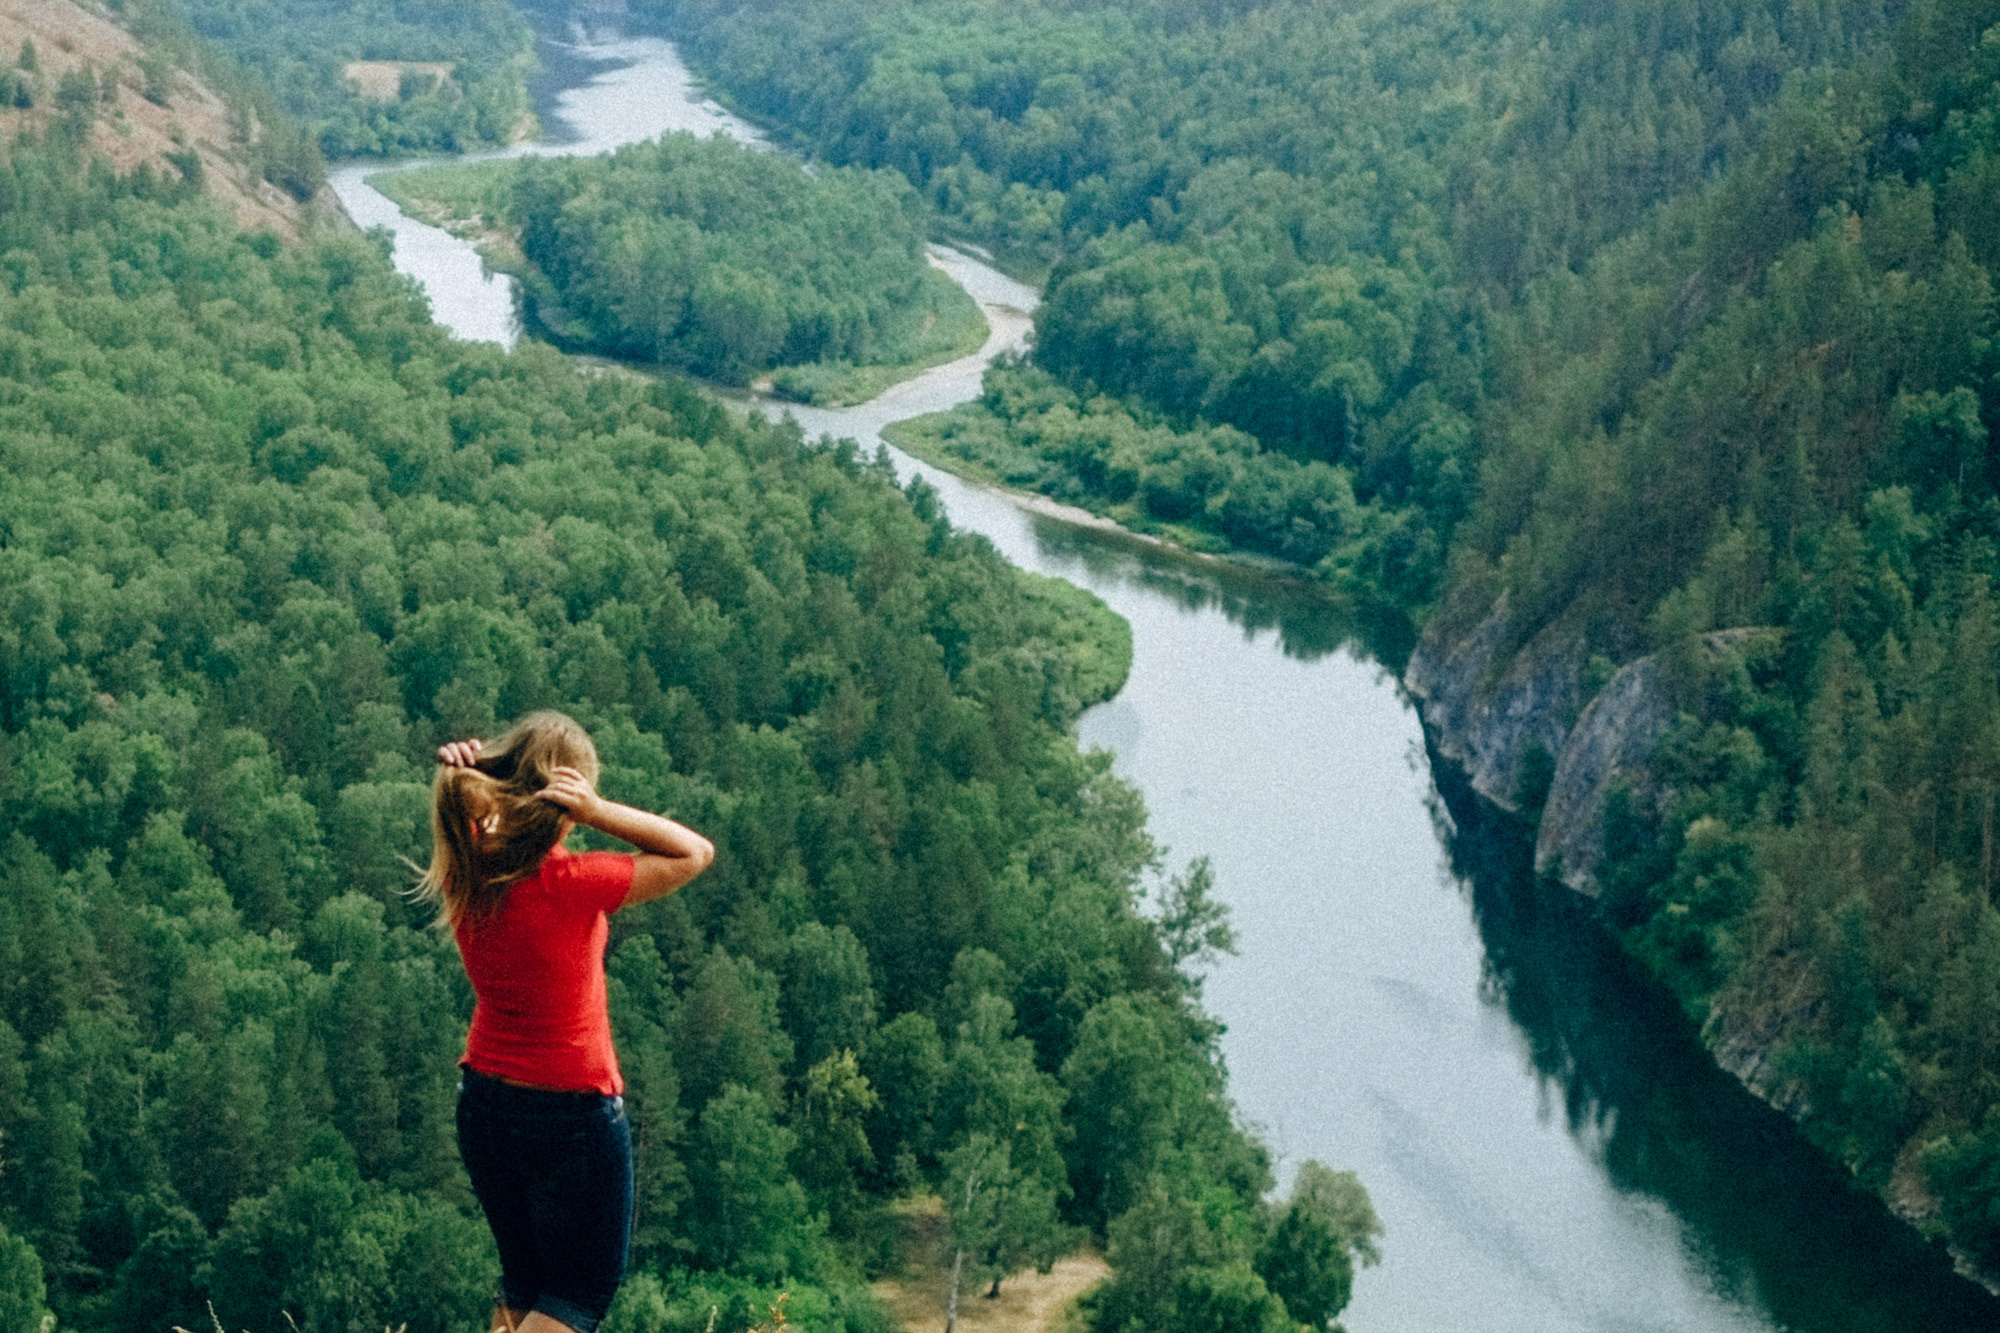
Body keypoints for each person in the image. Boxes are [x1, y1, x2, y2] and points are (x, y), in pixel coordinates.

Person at [419, 711, 714, 1333]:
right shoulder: (571, 882)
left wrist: (467, 775)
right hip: (570, 1111)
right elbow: (694, 852)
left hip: (485, 1103)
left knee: (524, 1281)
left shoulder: (465, 869)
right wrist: (598, 811)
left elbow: (464, 811)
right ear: (564, 798)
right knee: (578, 1293)